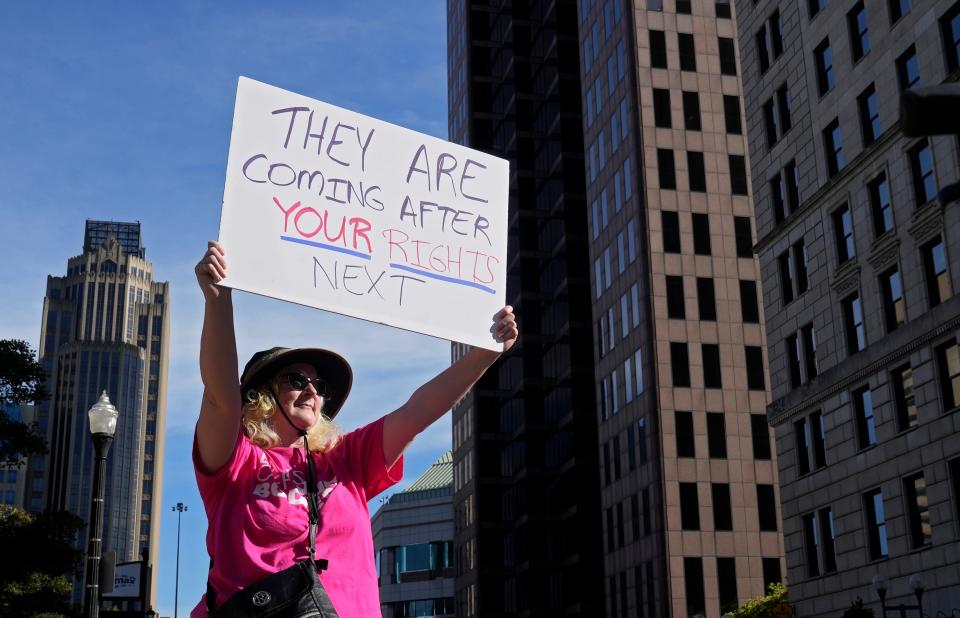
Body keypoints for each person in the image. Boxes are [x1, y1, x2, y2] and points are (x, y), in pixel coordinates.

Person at [191, 240, 518, 617]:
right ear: (261, 395)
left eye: (320, 386)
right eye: (296, 379)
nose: (312, 390)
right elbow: (219, 398)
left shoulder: (347, 458)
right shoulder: (236, 463)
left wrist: (486, 353)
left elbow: (420, 409)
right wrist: (217, 300)